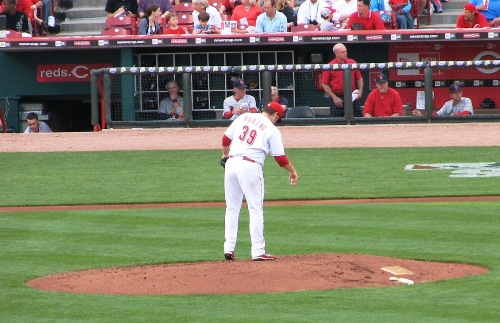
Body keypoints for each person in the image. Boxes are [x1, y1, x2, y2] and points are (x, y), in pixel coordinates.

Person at [221, 101, 299, 262]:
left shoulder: (244, 117)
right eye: (278, 118)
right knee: (255, 209)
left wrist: (224, 155)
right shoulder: (272, 130)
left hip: (232, 164)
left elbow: (225, 138)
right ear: (276, 115)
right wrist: (292, 171)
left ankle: (228, 248)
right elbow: (280, 158)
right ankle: (258, 250)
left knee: (232, 208)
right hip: (250, 167)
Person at [321, 43, 364, 117]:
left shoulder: (352, 62)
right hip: (338, 97)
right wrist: (334, 97)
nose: (345, 53)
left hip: (352, 96)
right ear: (336, 54)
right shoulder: (330, 65)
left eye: (346, 51)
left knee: (357, 118)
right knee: (337, 121)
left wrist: (360, 91)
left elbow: (359, 78)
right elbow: (324, 84)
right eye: (342, 52)